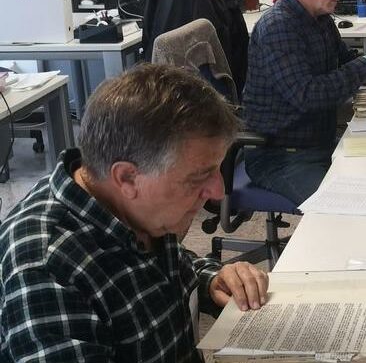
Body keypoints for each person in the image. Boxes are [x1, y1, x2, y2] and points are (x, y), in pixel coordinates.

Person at [0, 64, 270, 362]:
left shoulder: (138, 208)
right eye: (198, 176)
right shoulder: (45, 269)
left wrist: (210, 279)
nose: (218, 191)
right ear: (127, 178)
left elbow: (151, 271)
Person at [243, 0, 366, 205]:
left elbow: (344, 61)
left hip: (318, 143)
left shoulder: (320, 18)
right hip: (280, 156)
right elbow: (307, 95)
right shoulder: (278, 26)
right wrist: (365, 65)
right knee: (345, 208)